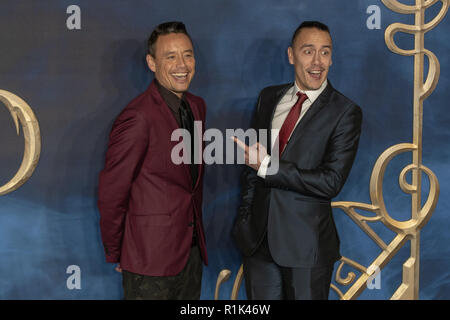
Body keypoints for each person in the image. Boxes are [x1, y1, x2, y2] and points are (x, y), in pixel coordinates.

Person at [232, 21, 362, 300]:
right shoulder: (268, 98)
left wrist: (268, 166)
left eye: (325, 52)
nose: (318, 62)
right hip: (258, 244)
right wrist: (245, 220)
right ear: (291, 55)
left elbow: (331, 182)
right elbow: (251, 169)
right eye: (308, 51)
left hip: (307, 251)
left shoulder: (345, 112)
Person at [98, 21, 207, 300]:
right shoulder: (137, 117)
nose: (182, 64)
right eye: (170, 56)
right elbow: (113, 192)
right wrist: (118, 251)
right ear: (151, 62)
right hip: (149, 260)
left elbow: (188, 183)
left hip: (191, 256)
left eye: (188, 54)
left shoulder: (196, 107)